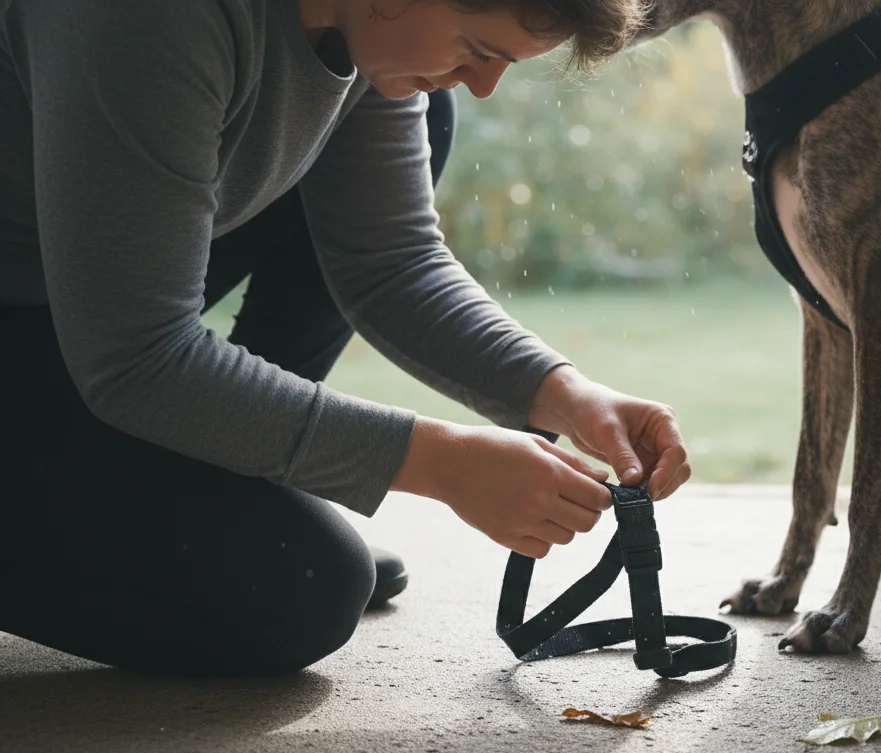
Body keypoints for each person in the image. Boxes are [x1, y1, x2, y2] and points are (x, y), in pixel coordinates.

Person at [0, 0, 689, 677]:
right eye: (479, 50)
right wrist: (442, 463)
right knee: (297, 596)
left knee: (427, 106)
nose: (484, 85)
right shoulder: (151, 19)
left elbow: (390, 263)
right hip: (56, 331)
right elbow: (139, 360)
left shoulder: (369, 33)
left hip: (84, 311)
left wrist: (564, 394)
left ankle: (224, 483)